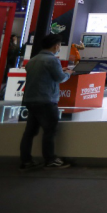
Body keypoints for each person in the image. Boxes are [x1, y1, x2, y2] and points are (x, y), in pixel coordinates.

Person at [20, 33, 72, 170]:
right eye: (59, 45)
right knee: (50, 131)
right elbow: (60, 78)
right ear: (56, 46)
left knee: (29, 132)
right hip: (46, 100)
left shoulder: (33, 60)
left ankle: (26, 161)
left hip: (31, 99)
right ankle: (50, 159)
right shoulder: (52, 60)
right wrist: (68, 73)